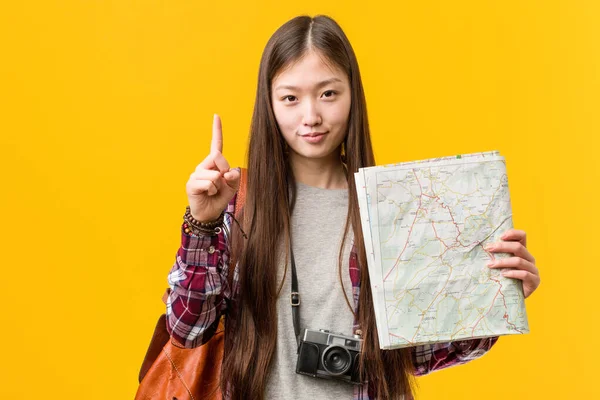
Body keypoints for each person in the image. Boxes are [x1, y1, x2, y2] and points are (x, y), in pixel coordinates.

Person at [166, 15, 541, 400]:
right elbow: (188, 330)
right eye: (290, 98)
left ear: (352, 95)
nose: (310, 116)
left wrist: (494, 299)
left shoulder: (394, 208)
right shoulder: (239, 204)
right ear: (270, 103)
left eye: (328, 94)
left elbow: (414, 355)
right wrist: (202, 224)